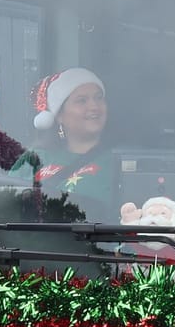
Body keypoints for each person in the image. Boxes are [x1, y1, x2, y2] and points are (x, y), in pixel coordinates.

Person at [13, 67, 118, 223]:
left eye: (98, 98)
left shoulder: (119, 161)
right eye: (82, 100)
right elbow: (4, 203)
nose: (94, 106)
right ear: (59, 115)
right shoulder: (33, 158)